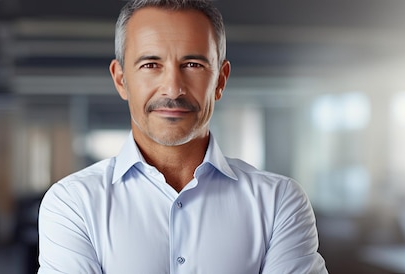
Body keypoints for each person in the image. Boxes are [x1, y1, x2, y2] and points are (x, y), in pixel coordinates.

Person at [38, 0, 328, 273]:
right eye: (151, 65)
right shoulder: (73, 204)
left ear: (220, 80)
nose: (173, 89)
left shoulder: (279, 203)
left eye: (193, 65)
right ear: (121, 79)